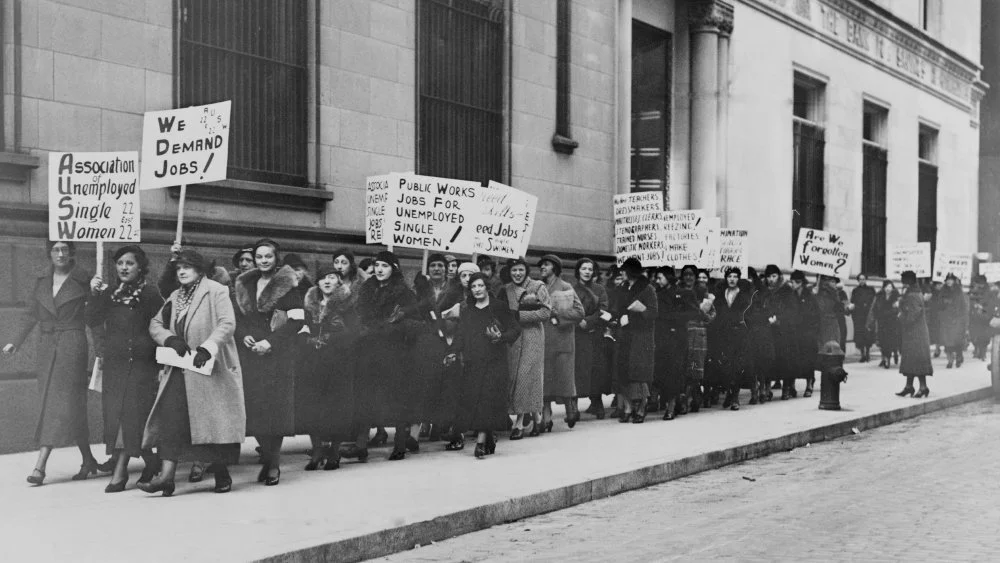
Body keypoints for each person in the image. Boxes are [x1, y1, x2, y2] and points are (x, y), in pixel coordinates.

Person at [139, 250, 246, 496]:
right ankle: (166, 477)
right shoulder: (176, 296)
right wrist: (170, 338)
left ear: (200, 269)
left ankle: (221, 473)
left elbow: (226, 323)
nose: (182, 272)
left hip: (209, 368)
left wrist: (208, 348)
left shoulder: (216, 291)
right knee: (172, 420)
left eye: (188, 267)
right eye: (179, 268)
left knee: (210, 421)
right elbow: (155, 324)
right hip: (180, 368)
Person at [4, 241, 109, 485]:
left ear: (72, 253)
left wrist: (95, 294)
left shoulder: (86, 280)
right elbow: (31, 314)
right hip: (47, 347)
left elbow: (95, 318)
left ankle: (40, 466)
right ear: (49, 254)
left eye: (65, 249)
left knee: (56, 403)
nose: (60, 254)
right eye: (55, 250)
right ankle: (87, 459)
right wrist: (15, 341)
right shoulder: (42, 281)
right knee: (70, 403)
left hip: (72, 345)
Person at [86, 245, 164, 492]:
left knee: (129, 417)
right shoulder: (110, 292)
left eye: (129, 263)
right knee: (118, 417)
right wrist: (94, 294)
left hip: (141, 364)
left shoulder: (150, 293)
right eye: (120, 263)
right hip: (116, 365)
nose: (124, 268)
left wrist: (160, 363)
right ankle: (152, 462)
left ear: (140, 267)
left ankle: (120, 473)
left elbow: (161, 325)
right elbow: (92, 319)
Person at [234, 239, 304, 486]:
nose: (263, 261)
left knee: (276, 410)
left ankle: (273, 463)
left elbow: (297, 322)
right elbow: (238, 319)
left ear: (276, 259)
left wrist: (271, 342)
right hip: (251, 356)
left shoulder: (288, 286)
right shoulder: (245, 283)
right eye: (259, 257)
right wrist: (244, 336)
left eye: (268, 257)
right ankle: (268, 456)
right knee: (256, 409)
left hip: (278, 356)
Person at [447, 273, 522, 458]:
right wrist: (452, 352)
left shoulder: (499, 307)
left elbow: (515, 329)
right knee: (476, 401)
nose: (477, 289)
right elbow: (461, 335)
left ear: (487, 287)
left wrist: (501, 337)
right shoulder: (468, 310)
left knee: (487, 400)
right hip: (473, 362)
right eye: (474, 287)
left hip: (495, 362)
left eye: (480, 285)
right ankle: (488, 437)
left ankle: (480, 443)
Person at [355, 251, 419, 460]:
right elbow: (360, 315)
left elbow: (417, 322)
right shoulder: (367, 289)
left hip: (395, 352)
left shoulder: (404, 292)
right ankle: (361, 445)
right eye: (377, 265)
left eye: (385, 265)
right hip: (369, 349)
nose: (380, 270)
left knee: (396, 396)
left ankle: (399, 444)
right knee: (366, 395)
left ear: (394, 268)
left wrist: (398, 323)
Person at [295, 265, 357, 471]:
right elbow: (300, 326)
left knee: (336, 407)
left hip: (338, 361)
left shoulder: (348, 303)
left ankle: (335, 452)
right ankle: (317, 450)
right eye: (323, 278)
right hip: (313, 361)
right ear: (317, 282)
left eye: (332, 278)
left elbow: (356, 331)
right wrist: (308, 339)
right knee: (313, 407)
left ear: (339, 281)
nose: (327, 282)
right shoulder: (309, 303)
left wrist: (333, 337)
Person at [407, 254, 464, 449]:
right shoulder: (420, 289)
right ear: (427, 268)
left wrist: (447, 322)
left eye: (441, 265)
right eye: (433, 265)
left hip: (448, 341)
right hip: (425, 342)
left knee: (447, 388)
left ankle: (443, 428)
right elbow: (412, 313)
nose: (437, 269)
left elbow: (462, 315)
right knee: (421, 387)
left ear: (447, 268)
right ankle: (413, 435)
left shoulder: (456, 290)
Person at [502, 257, 550, 439]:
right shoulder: (506, 289)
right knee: (516, 377)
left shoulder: (538, 286)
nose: (517, 273)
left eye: (520, 270)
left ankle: (519, 423)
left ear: (526, 270)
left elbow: (546, 311)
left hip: (532, 337)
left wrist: (519, 316)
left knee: (526, 377)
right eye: (514, 270)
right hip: (513, 339)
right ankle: (538, 419)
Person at [538, 255, 585, 430]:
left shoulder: (566, 287)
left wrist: (558, 316)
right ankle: (546, 418)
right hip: (545, 340)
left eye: (546, 264)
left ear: (555, 268)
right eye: (541, 264)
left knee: (564, 378)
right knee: (546, 381)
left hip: (563, 340)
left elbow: (580, 312)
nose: (543, 267)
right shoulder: (539, 287)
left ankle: (570, 411)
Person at [612, 258, 658, 423]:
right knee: (623, 372)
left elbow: (653, 313)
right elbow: (616, 308)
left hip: (641, 336)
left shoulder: (647, 289)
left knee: (639, 374)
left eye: (624, 270)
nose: (622, 273)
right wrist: (614, 316)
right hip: (624, 335)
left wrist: (634, 316)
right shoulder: (622, 288)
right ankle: (628, 407)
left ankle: (642, 407)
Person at [656, 266, 700, 419]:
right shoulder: (657, 293)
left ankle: (672, 405)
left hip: (677, 337)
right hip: (661, 337)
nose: (657, 281)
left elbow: (694, 312)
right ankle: (671, 402)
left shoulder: (684, 293)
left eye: (660, 277)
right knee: (663, 371)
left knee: (674, 371)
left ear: (668, 277)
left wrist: (675, 317)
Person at [707, 268, 752, 411]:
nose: (732, 279)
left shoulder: (745, 296)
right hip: (724, 334)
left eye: (735, 276)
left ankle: (735, 397)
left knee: (738, 365)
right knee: (725, 365)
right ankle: (728, 393)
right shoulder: (720, 295)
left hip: (739, 333)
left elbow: (748, 314)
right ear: (726, 278)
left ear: (739, 278)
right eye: (729, 276)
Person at [572, 258, 610, 420]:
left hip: (595, 334)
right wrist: (577, 321)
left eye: (590, 269)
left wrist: (587, 321)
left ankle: (597, 402)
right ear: (578, 271)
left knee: (597, 368)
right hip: (577, 336)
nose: (587, 271)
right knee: (577, 368)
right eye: (584, 268)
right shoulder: (571, 289)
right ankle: (573, 406)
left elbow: (603, 310)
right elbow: (568, 309)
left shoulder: (599, 289)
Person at [773, 270, 819, 399]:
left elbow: (815, 315)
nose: (792, 284)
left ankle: (809, 384)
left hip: (807, 333)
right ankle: (791, 386)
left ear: (801, 283)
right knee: (794, 360)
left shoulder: (809, 296)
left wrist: (813, 331)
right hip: (794, 332)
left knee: (809, 360)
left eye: (795, 282)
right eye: (792, 281)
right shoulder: (790, 295)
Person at [896, 271, 933, 398]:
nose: (902, 284)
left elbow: (914, 313)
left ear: (907, 282)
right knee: (910, 359)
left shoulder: (912, 295)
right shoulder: (913, 293)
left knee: (918, 360)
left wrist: (901, 316)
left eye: (903, 281)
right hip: (913, 332)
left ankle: (923, 387)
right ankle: (909, 386)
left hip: (916, 332)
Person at [937, 273, 969, 369]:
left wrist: (964, 320)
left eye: (951, 280)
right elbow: (939, 305)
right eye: (947, 280)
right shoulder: (943, 291)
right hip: (946, 320)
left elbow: (963, 307)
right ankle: (950, 360)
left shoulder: (959, 291)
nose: (949, 281)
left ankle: (959, 357)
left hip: (957, 320)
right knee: (947, 342)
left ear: (954, 281)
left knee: (957, 341)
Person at [867, 280, 901, 369]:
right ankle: (885, 358)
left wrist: (895, 308)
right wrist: (873, 319)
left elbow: (899, 310)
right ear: (884, 287)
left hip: (893, 322)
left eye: (890, 287)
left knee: (891, 341)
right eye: (887, 287)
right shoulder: (879, 296)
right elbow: (874, 308)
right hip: (882, 322)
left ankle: (891, 356)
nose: (888, 289)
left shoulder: (896, 296)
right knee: (883, 341)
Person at [849, 274, 877, 362]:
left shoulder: (871, 290)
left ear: (866, 280)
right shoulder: (855, 290)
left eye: (863, 279)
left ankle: (868, 352)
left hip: (868, 316)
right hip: (858, 316)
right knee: (860, 335)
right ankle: (862, 354)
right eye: (860, 279)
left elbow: (874, 302)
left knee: (868, 334)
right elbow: (852, 302)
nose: (862, 281)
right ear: (858, 280)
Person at [968, 275, 991, 361]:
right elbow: (970, 300)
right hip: (974, 317)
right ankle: (977, 348)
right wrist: (974, 305)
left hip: (985, 317)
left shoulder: (988, 291)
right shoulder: (973, 290)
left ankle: (983, 353)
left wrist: (982, 307)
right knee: (974, 334)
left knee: (984, 336)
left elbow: (990, 303)